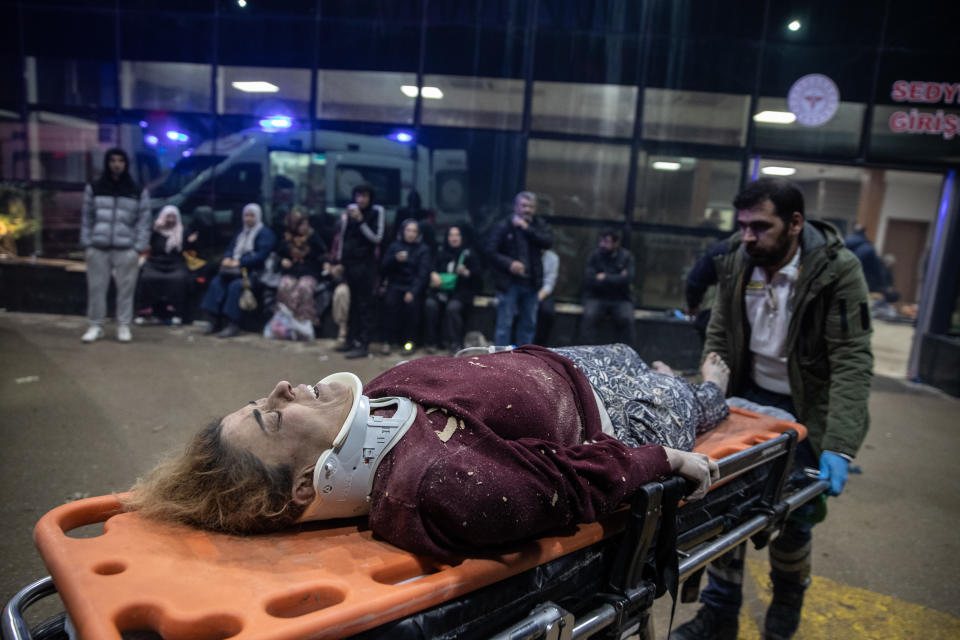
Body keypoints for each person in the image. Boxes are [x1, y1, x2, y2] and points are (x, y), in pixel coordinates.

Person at [125, 343, 731, 560]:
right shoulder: (434, 486)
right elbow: (567, 484)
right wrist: (663, 460)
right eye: (273, 418)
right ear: (310, 482)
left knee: (633, 355)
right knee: (694, 397)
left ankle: (662, 373)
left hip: (564, 361)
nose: (280, 390)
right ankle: (709, 385)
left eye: (265, 399)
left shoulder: (378, 413)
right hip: (617, 416)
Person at [671, 178, 873, 640]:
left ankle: (787, 599)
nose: (747, 236)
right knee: (722, 507)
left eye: (760, 226)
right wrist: (709, 398)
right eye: (742, 225)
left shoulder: (837, 271)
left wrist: (839, 445)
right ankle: (719, 614)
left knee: (795, 516)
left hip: (806, 407)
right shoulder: (739, 260)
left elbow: (851, 360)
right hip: (743, 399)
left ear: (795, 224)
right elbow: (719, 334)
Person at [80, 147, 151, 343]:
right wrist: (87, 244)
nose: (116, 164)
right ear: (107, 163)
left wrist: (138, 247)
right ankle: (95, 325)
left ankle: (124, 325)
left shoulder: (136, 190)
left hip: (126, 249)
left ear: (126, 164)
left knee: (126, 290)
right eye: (112, 160)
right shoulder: (95, 188)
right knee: (96, 289)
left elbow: (144, 221)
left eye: (120, 160)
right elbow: (87, 218)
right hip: (98, 247)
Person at [487, 191, 553, 346]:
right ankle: (500, 359)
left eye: (531, 206)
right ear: (515, 207)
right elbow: (490, 251)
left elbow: (548, 242)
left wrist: (526, 228)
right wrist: (509, 263)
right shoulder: (503, 225)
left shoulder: (538, 225)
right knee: (505, 324)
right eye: (524, 205)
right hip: (509, 283)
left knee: (529, 324)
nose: (527, 209)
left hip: (532, 282)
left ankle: (523, 359)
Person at [200, 203, 276, 338]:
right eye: (246, 215)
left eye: (252, 216)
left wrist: (240, 262)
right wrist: (227, 259)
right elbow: (231, 249)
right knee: (217, 282)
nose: (248, 219)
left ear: (258, 216)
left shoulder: (265, 233)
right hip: (233, 271)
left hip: (253, 273)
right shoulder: (241, 233)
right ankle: (214, 321)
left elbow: (261, 256)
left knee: (235, 287)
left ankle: (233, 324)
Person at [331, 184, 385, 359]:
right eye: (358, 196)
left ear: (370, 197)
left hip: (367, 267)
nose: (360, 199)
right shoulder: (349, 213)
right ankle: (350, 340)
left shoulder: (377, 212)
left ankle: (364, 343)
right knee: (352, 304)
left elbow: (376, 238)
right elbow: (343, 238)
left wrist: (361, 220)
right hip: (350, 265)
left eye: (364, 196)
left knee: (365, 306)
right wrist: (340, 262)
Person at [424, 225, 481, 354]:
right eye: (451, 235)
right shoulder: (441, 251)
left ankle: (456, 343)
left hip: (462, 292)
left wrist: (466, 272)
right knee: (430, 305)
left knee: (452, 308)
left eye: (457, 235)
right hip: (441, 291)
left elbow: (477, 274)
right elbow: (431, 266)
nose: (453, 238)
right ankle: (432, 342)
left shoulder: (469, 253)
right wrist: (433, 273)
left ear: (462, 237)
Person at [379, 219, 431, 355]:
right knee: (389, 303)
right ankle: (387, 341)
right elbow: (383, 268)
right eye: (408, 230)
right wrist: (394, 259)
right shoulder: (394, 246)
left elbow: (423, 274)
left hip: (413, 286)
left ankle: (409, 343)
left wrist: (413, 291)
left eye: (414, 231)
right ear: (403, 231)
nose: (411, 234)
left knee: (412, 307)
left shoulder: (423, 249)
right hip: (395, 285)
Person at [136, 205, 193, 325]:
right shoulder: (156, 229)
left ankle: (175, 313)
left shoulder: (183, 231)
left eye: (173, 217)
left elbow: (188, 250)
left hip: (175, 264)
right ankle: (145, 312)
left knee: (179, 279)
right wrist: (155, 230)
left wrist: (191, 241)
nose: (171, 220)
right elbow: (146, 244)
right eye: (168, 217)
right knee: (147, 278)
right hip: (155, 263)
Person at [580, 228, 636, 348]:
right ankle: (586, 350)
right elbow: (590, 279)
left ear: (616, 243)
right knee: (588, 317)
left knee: (626, 319)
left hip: (620, 297)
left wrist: (604, 276)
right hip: (597, 296)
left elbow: (628, 279)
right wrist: (617, 277)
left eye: (606, 242)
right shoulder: (595, 255)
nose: (602, 245)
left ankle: (626, 353)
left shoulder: (626, 257)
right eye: (601, 241)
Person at [275, 208, 328, 328]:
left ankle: (304, 323)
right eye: (301, 224)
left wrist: (325, 263)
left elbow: (323, 254)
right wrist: (282, 261)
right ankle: (283, 324)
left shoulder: (313, 236)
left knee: (303, 288)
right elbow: (278, 255)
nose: (305, 227)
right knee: (285, 286)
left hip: (310, 272)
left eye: (306, 223)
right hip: (292, 272)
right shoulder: (286, 238)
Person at [844, 224, 885, 294]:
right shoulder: (868, 248)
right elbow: (876, 268)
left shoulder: (842, 243)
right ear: (864, 233)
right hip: (860, 281)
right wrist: (881, 283)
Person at [534, 248, 559, 346]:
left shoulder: (553, 258)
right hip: (526, 289)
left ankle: (541, 345)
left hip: (543, 292)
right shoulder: (527, 253)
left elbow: (549, 283)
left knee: (547, 312)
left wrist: (536, 299)